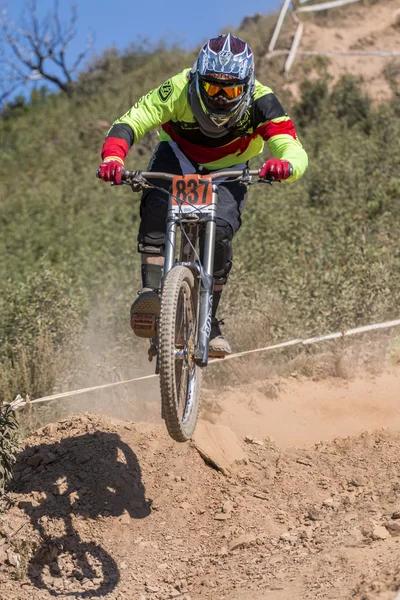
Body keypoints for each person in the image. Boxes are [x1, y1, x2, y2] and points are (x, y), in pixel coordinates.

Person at [98, 33, 308, 357]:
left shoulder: (262, 101)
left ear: (248, 87)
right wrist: (113, 157)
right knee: (156, 203)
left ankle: (209, 322)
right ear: (197, 79)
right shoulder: (178, 88)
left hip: (230, 168)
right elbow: (132, 120)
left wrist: (285, 165)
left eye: (232, 90)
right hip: (178, 156)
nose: (222, 99)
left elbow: (290, 144)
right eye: (213, 88)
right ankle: (151, 294)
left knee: (221, 232)